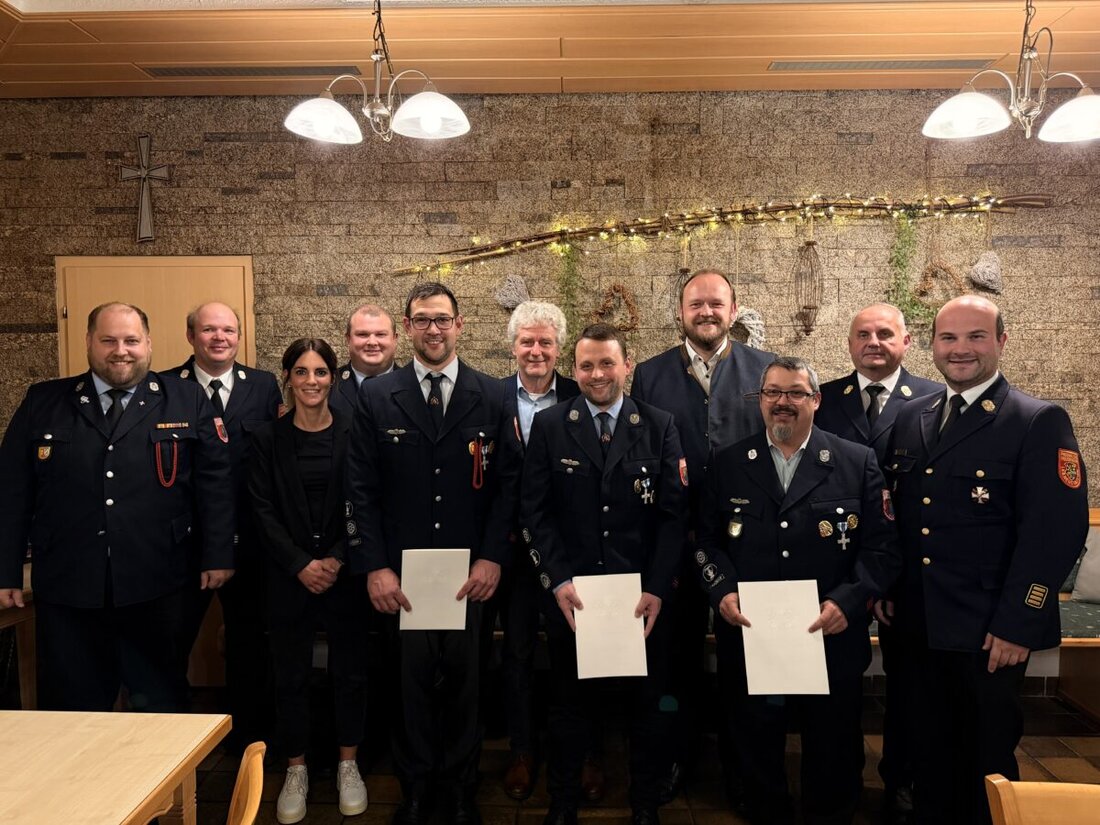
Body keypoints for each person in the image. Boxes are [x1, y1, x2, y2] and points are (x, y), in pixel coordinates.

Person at [880, 295, 1088, 825]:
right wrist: (888, 587)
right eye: (948, 338)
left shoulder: (1036, 420)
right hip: (917, 626)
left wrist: (1019, 622)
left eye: (975, 336)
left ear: (1001, 341)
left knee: (984, 761)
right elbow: (903, 518)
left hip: (988, 632)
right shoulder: (913, 416)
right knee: (926, 754)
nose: (960, 349)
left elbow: (1055, 532)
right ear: (932, 345)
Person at [0, 302, 234, 712]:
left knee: (160, 704)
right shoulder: (44, 401)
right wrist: (6, 571)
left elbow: (214, 484)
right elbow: (12, 491)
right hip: (69, 587)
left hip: (157, 582)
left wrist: (218, 554)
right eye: (108, 340)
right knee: (73, 707)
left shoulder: (185, 398)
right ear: (89, 342)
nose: (120, 351)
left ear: (148, 344)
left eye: (131, 340)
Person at [697, 356, 899, 825]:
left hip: (830, 633)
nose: (782, 402)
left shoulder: (855, 461)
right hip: (752, 633)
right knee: (755, 737)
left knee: (832, 741)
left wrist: (848, 602)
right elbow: (706, 542)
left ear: (816, 400)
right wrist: (721, 590)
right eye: (772, 392)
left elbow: (882, 549)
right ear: (760, 400)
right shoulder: (728, 463)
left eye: (795, 393)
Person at [346, 282, 519, 825]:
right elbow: (360, 489)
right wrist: (374, 566)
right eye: (422, 319)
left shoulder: (493, 395)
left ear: (460, 325)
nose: (433, 329)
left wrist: (492, 557)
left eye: (442, 319)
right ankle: (416, 788)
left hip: (471, 573)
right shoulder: (378, 396)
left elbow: (508, 487)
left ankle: (462, 788)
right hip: (403, 575)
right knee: (410, 685)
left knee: (468, 684)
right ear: (407, 328)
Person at [521, 322, 687, 825]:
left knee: (648, 710)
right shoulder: (551, 426)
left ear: (626, 365)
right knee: (569, 710)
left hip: (641, 601)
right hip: (575, 599)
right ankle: (562, 803)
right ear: (574, 370)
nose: (597, 374)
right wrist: (557, 581)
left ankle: (644, 805)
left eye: (607, 363)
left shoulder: (659, 425)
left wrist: (658, 588)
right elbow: (535, 513)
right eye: (587, 365)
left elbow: (674, 517)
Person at [631, 268, 774, 799]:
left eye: (716, 303)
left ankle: (745, 771)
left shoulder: (765, 369)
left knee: (746, 660)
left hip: (747, 545)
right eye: (696, 304)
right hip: (677, 540)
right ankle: (677, 757)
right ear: (681, 312)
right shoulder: (649, 374)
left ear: (733, 311)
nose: (706, 312)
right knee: (675, 658)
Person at [814, 302, 940, 821]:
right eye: (863, 334)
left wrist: (890, 581)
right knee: (837, 684)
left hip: (905, 572)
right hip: (835, 569)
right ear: (849, 343)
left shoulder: (934, 400)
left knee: (908, 685)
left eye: (885, 333)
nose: (873, 342)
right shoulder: (823, 400)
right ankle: (836, 781)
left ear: (906, 342)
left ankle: (900, 779)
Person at [249, 337, 368, 825]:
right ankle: (295, 768)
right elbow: (261, 510)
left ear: (333, 379)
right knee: (290, 675)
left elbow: (366, 501)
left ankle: (347, 764)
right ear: (288, 378)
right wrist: (300, 563)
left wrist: (337, 558)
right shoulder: (265, 438)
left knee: (351, 673)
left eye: (320, 372)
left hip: (345, 574)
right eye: (301, 372)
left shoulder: (355, 432)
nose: (311, 381)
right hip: (288, 577)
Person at [171, 301, 282, 749]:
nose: (220, 338)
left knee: (249, 643)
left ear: (239, 336)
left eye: (228, 330)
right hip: (188, 542)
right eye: (209, 330)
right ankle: (174, 743)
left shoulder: (264, 385)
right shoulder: (166, 387)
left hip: (251, 539)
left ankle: (249, 741)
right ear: (191, 336)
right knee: (171, 642)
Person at [492, 300, 580, 800]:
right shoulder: (490, 398)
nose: (536, 350)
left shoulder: (579, 396)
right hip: (511, 557)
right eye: (527, 341)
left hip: (567, 555)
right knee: (517, 655)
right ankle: (522, 751)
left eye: (545, 341)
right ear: (513, 347)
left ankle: (583, 753)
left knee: (573, 654)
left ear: (559, 348)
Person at [330, 303, 399, 414]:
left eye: (380, 334)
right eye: (362, 334)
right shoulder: (328, 387)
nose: (372, 342)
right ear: (348, 339)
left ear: (395, 340)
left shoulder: (414, 387)